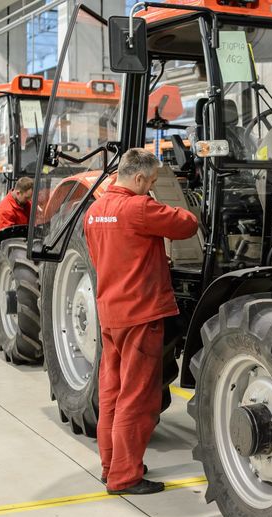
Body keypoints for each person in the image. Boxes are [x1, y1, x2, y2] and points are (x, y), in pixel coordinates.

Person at [83, 148, 198, 495]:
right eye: (150, 182)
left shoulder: (94, 211)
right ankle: (125, 477)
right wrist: (173, 204)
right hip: (141, 314)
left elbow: (103, 256)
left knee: (112, 394)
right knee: (138, 398)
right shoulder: (140, 208)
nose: (150, 188)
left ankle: (111, 466)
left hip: (111, 314)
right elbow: (187, 224)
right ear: (137, 178)